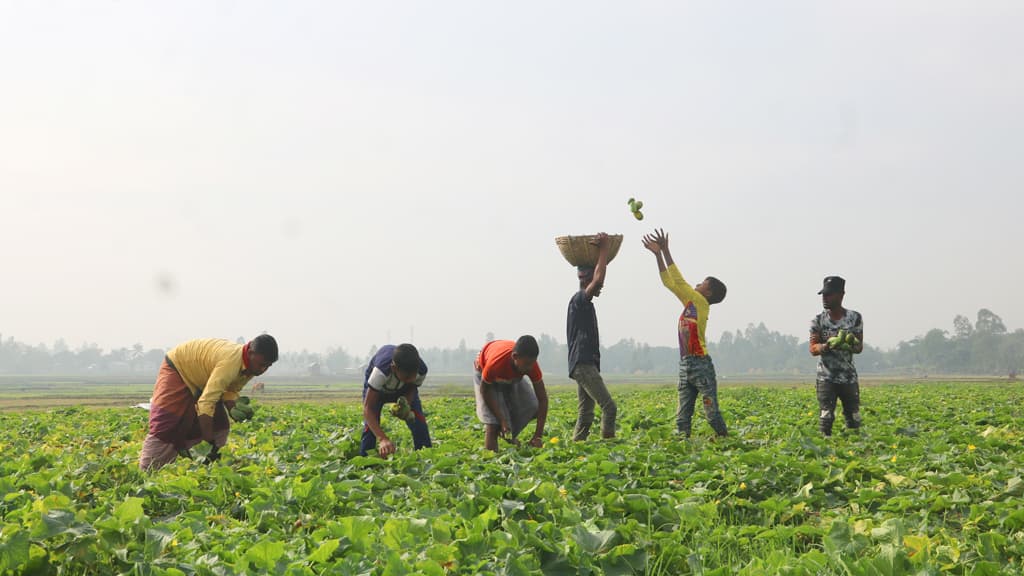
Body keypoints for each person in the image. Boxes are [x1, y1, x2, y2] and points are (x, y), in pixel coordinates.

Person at [139, 334, 278, 471]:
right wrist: (208, 442)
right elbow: (206, 403)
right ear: (250, 352)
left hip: (203, 379)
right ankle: (147, 471)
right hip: (179, 368)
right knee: (168, 422)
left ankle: (203, 466)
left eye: (268, 366)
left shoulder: (251, 366)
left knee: (220, 426)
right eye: (261, 365)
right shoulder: (231, 363)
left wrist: (233, 409)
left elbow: (230, 389)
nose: (262, 370)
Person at [642, 228, 729, 438]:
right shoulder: (691, 303)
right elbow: (670, 283)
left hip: (700, 365)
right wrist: (657, 255)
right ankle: (683, 448)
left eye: (701, 283)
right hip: (685, 365)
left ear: (707, 292)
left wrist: (665, 250)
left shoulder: (699, 302)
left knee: (712, 413)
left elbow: (678, 281)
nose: (696, 284)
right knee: (682, 416)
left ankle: (726, 441)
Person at [568, 233, 617, 440]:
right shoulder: (580, 299)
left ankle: (576, 448)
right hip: (583, 364)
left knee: (586, 413)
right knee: (609, 407)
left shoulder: (584, 304)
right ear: (585, 279)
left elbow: (597, 280)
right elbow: (598, 280)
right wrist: (604, 250)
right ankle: (609, 448)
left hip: (585, 364)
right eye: (596, 281)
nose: (601, 286)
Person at [808, 276, 864, 436]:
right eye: (823, 295)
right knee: (826, 416)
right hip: (826, 377)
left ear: (841, 295)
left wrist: (849, 344)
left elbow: (859, 347)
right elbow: (813, 348)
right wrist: (825, 347)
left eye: (829, 295)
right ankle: (826, 448)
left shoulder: (854, 318)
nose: (825, 299)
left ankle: (855, 447)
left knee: (853, 416)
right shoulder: (818, 320)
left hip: (848, 377)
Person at [473, 335, 549, 451]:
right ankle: (491, 461)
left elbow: (542, 399)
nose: (530, 368)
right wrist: (501, 420)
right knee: (493, 424)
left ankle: (508, 434)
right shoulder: (495, 364)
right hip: (485, 375)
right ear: (515, 357)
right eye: (527, 364)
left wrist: (537, 436)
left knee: (533, 406)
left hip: (513, 376)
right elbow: (485, 390)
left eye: (532, 363)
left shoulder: (530, 365)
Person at [360, 343, 432, 458]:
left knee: (419, 422)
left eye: (412, 377)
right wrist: (383, 439)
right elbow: (367, 408)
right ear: (394, 368)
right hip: (378, 392)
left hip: (403, 390)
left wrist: (406, 405)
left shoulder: (421, 370)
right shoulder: (380, 372)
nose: (409, 380)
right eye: (406, 377)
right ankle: (366, 465)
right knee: (370, 428)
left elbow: (412, 387)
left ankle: (425, 458)